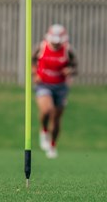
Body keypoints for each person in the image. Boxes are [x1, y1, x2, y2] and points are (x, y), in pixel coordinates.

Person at [33, 23, 78, 159]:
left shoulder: (68, 50)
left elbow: (75, 67)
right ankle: (44, 131)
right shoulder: (41, 47)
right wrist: (35, 73)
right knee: (47, 110)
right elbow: (32, 62)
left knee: (57, 117)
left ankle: (52, 145)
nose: (56, 45)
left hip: (61, 86)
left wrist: (69, 70)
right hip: (44, 84)